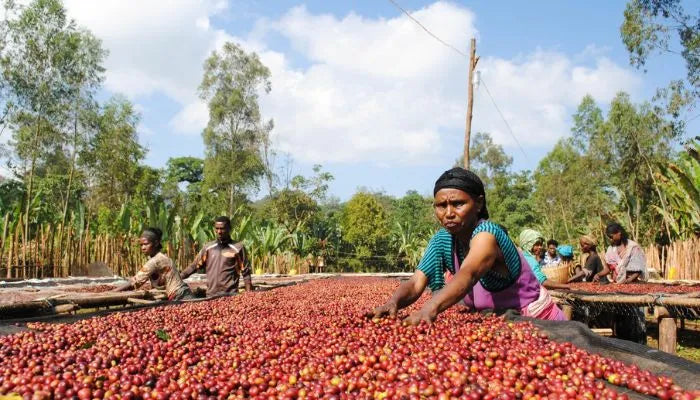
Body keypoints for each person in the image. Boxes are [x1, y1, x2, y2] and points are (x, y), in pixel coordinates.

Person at [366, 167, 566, 324]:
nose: (449, 213)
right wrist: (394, 303)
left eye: (458, 204)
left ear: (478, 203)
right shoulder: (442, 240)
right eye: (441, 206)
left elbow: (468, 274)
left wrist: (429, 308)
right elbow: (417, 282)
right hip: (494, 323)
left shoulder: (488, 234)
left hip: (536, 323)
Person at [596, 222, 648, 344]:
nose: (610, 239)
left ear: (619, 233)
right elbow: (609, 268)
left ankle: (638, 344)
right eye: (608, 236)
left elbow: (638, 270)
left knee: (635, 319)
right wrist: (599, 274)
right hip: (619, 288)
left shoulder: (633, 248)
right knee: (620, 318)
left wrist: (628, 281)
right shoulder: (611, 249)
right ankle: (623, 343)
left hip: (634, 289)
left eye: (611, 236)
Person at [114, 228, 195, 301]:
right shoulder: (161, 257)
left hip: (180, 296)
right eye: (141, 245)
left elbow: (135, 282)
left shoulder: (156, 260)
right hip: (182, 293)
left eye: (146, 244)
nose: (143, 248)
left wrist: (113, 292)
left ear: (156, 243)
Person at [180, 216, 253, 296]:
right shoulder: (208, 248)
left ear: (229, 229)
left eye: (222, 228)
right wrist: (179, 277)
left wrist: (248, 295)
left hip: (230, 295)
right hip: (211, 295)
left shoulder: (238, 248)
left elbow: (246, 273)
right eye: (217, 228)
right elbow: (194, 266)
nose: (219, 231)